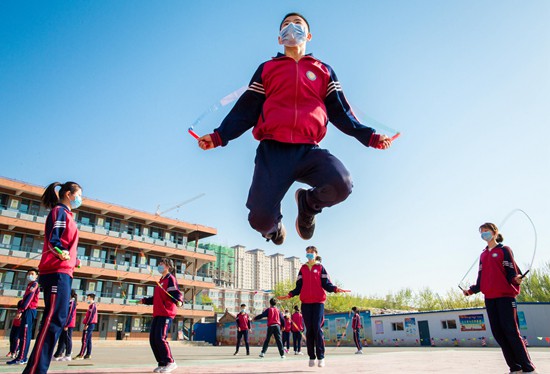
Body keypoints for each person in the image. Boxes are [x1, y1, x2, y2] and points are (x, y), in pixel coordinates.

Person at [196, 12, 393, 245]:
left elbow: (341, 112)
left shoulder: (323, 70)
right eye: (286, 25)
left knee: (342, 184)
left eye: (298, 24)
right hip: (273, 152)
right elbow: (246, 109)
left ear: (308, 35)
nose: (292, 28)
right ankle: (274, 229)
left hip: (309, 150)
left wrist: (369, 136)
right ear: (280, 38)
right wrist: (219, 136)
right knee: (259, 219)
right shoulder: (268, 68)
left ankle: (307, 205)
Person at [19, 181, 82, 374]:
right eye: (80, 194)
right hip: (56, 272)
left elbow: (64, 243)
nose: (81, 199)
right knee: (53, 319)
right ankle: (36, 370)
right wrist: (60, 253)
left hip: (64, 270)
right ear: (69, 194)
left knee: (57, 319)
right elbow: (55, 239)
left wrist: (73, 260)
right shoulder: (60, 212)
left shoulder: (67, 214)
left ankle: (37, 368)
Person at [464, 222, 537, 374]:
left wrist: (516, 279)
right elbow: (481, 277)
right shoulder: (483, 254)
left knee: (511, 331)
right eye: (481, 232)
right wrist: (471, 291)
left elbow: (512, 272)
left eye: (486, 231)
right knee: (498, 333)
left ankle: (528, 369)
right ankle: (515, 368)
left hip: (505, 297)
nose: (484, 234)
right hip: (490, 299)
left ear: (494, 232)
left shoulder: (504, 250)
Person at [279, 246, 346, 368]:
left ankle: (321, 356)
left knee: (317, 327)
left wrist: (335, 289)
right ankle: (311, 356)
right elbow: (298, 286)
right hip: (306, 303)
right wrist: (290, 294)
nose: (309, 255)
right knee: (309, 329)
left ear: (316, 254)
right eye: (307, 253)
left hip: (319, 302)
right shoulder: (303, 269)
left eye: (311, 253)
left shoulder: (320, 268)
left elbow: (327, 284)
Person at [141, 258, 183, 373]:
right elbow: (156, 299)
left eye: (161, 263)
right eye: (159, 263)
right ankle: (162, 363)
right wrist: (144, 300)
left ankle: (170, 362)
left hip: (166, 313)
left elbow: (176, 293)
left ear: (168, 266)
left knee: (160, 338)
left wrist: (179, 300)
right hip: (157, 313)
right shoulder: (161, 281)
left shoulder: (170, 279)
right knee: (153, 339)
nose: (159, 265)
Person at [7, 268, 40, 366]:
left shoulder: (34, 284)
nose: (30, 275)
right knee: (23, 335)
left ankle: (22, 358)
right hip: (27, 311)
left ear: (36, 276)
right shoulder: (29, 285)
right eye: (29, 273)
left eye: (32, 274)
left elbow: (29, 298)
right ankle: (21, 356)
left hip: (29, 310)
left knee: (25, 335)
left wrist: (21, 310)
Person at [53, 289, 78, 361]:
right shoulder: (68, 302)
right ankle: (58, 354)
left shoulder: (72, 302)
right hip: (65, 323)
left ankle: (68, 354)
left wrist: (66, 324)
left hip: (68, 324)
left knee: (67, 339)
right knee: (62, 339)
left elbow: (70, 314)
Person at [74, 293, 97, 360]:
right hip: (90, 324)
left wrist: (87, 324)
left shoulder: (93, 306)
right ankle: (88, 354)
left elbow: (91, 316)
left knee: (84, 339)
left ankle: (81, 354)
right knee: (89, 340)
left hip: (89, 324)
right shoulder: (91, 306)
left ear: (91, 298)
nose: (87, 299)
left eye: (88, 298)